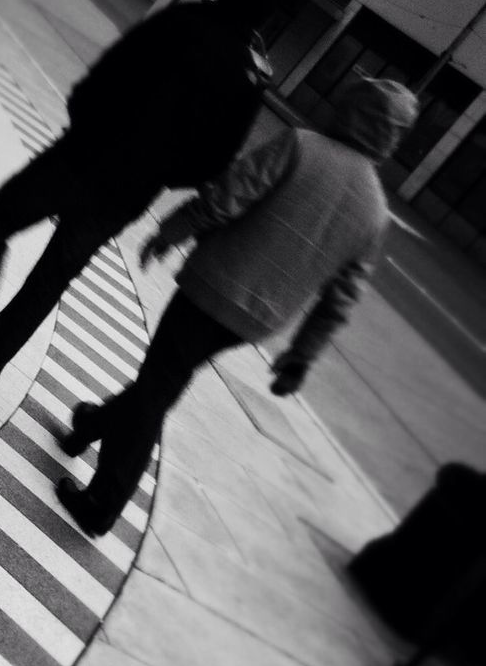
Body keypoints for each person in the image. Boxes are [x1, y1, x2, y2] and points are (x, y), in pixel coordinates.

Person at [55, 75, 420, 538]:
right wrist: (300, 357)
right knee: (163, 380)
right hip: (254, 321)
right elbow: (341, 299)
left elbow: (232, 193)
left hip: (212, 287)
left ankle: (100, 505)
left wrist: (178, 226)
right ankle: (92, 422)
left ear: (353, 110)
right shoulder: (375, 212)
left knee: (155, 391)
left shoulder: (302, 145)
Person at [0, 0, 271, 408]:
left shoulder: (186, 20)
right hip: (131, 191)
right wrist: (164, 173)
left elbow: (119, 64)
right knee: (50, 278)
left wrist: (83, 113)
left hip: (84, 154)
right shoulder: (249, 78)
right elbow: (216, 160)